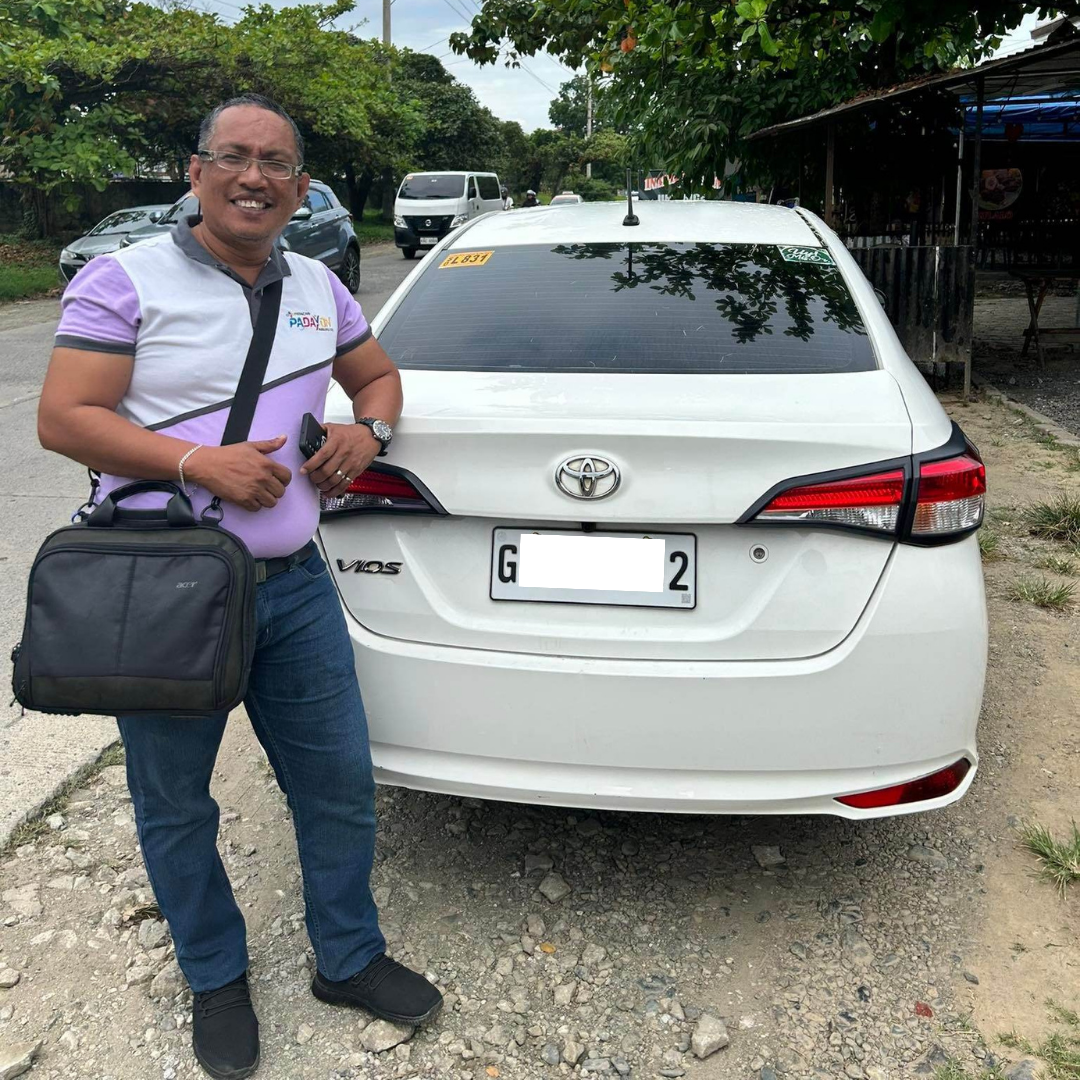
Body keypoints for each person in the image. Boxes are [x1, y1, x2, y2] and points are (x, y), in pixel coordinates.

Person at [37, 94, 442, 1080]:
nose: (254, 177)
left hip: (294, 588)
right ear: (196, 172)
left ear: (301, 188)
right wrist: (195, 462)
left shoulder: (319, 286)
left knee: (337, 786)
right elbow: (65, 416)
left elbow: (378, 378)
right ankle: (215, 976)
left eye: (276, 164)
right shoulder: (123, 279)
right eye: (233, 157)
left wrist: (367, 431)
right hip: (165, 588)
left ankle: (347, 957)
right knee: (176, 803)